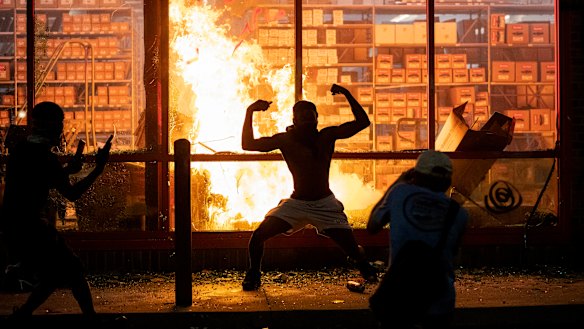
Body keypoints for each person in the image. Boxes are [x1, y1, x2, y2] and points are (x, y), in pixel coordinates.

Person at [240, 83, 378, 291]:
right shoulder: (286, 140)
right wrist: (250, 111)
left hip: (325, 204)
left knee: (352, 249)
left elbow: (362, 122)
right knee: (258, 236)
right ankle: (253, 274)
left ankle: (364, 266)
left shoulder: (327, 136)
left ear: (316, 118)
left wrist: (348, 94)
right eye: (302, 116)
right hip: (296, 203)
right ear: (294, 120)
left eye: (309, 115)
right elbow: (248, 144)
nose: (306, 119)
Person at [0, 101, 111, 320]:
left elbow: (35, 180)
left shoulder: (21, 149)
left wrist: (67, 170)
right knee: (74, 269)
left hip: (14, 224)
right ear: (53, 128)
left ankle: (23, 314)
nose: (61, 131)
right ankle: (91, 320)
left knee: (53, 274)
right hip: (31, 225)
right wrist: (98, 169)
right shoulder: (46, 157)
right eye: (59, 126)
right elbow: (71, 194)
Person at [367, 150, 469, 329]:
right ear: (448, 181)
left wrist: (398, 182)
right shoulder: (459, 214)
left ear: (415, 175)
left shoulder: (400, 193)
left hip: (400, 297)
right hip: (439, 300)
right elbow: (453, 256)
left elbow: (373, 226)